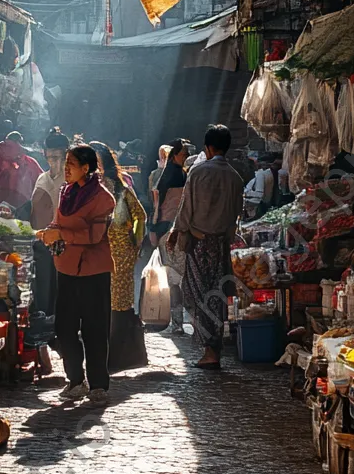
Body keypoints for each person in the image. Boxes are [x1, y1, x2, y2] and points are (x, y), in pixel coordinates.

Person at [36, 145, 116, 406]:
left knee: (94, 328)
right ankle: (75, 379)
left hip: (94, 270)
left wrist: (61, 235)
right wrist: (48, 231)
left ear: (86, 168)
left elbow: (95, 236)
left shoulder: (103, 198)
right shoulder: (65, 192)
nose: (66, 168)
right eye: (66, 162)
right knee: (64, 328)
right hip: (67, 267)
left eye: (71, 163)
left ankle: (98, 385)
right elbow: (59, 222)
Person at [168, 125, 244, 369]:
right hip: (220, 243)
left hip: (200, 243)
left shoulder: (198, 171)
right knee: (216, 296)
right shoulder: (235, 177)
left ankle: (210, 350)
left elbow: (186, 208)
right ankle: (214, 349)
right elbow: (235, 214)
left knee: (196, 294)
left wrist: (177, 232)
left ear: (209, 148)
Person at [91, 141, 147, 362]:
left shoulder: (121, 188)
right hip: (96, 252)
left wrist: (135, 243)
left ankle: (118, 353)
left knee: (118, 302)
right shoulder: (85, 188)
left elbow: (139, 216)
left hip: (121, 253)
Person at [29, 128, 70, 320]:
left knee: (62, 288)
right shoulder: (42, 178)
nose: (54, 161)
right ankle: (44, 322)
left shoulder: (72, 180)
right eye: (50, 157)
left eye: (58, 157)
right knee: (43, 283)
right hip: (42, 242)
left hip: (66, 243)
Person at [151, 140, 188, 334]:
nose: (185, 158)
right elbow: (159, 207)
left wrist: (153, 229)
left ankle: (178, 322)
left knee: (175, 277)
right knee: (176, 277)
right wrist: (153, 229)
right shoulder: (176, 175)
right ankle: (178, 321)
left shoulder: (176, 174)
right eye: (183, 154)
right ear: (174, 155)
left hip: (170, 230)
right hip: (171, 232)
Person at [0, 131, 43, 210]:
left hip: (0, 202)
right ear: (19, 143)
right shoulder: (28, 161)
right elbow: (41, 181)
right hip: (22, 203)